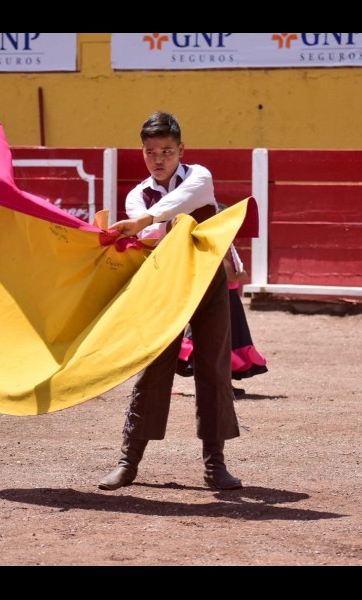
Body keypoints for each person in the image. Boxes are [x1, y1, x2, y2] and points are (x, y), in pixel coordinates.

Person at [99, 111, 243, 491]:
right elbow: (156, 235)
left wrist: (147, 221)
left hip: (207, 281)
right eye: (150, 152)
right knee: (154, 370)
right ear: (142, 153)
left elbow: (178, 205)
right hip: (167, 285)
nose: (158, 159)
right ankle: (128, 462)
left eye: (166, 151)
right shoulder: (136, 196)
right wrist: (149, 223)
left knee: (214, 369)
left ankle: (215, 465)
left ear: (181, 150)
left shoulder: (200, 177)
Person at [176, 242, 268, 397]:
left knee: (210, 339)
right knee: (224, 341)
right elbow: (228, 273)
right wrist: (241, 275)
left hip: (212, 294)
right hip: (225, 296)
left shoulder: (210, 240)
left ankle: (216, 385)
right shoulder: (222, 240)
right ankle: (219, 386)